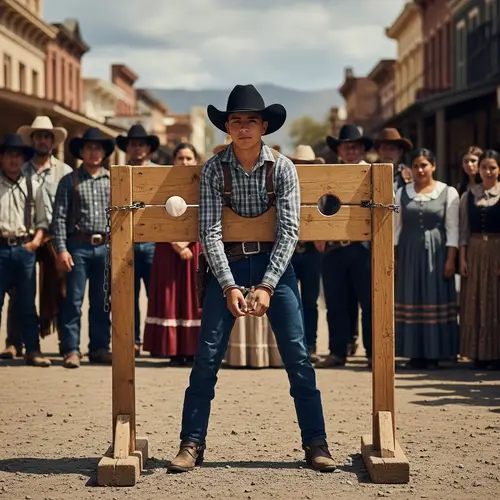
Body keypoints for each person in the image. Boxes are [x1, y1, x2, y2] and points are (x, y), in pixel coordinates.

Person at [168, 84, 335, 473]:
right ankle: (191, 443)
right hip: (226, 265)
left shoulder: (284, 168)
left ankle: (316, 442)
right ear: (227, 127)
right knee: (206, 358)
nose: (243, 127)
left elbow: (289, 231)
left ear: (264, 127)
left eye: (251, 121)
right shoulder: (213, 169)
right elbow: (209, 230)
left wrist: (266, 285)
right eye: (236, 121)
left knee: (297, 356)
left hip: (274, 268)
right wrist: (227, 285)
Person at [52, 127, 115, 368]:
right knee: (74, 301)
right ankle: (71, 349)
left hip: (105, 248)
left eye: (98, 148)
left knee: (102, 300)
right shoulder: (69, 180)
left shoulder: (112, 180)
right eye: (89, 148)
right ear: (82, 152)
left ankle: (99, 348)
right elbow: (58, 218)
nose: (94, 152)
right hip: (78, 245)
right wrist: (61, 249)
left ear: (103, 152)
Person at [395, 148, 459, 369]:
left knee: (435, 296)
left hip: (437, 251)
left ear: (433, 166)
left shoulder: (447, 192)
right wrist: (394, 256)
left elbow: (453, 230)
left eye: (424, 165)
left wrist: (451, 259)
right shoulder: (402, 192)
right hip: (408, 251)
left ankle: (435, 353)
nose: (420, 170)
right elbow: (396, 228)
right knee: (411, 296)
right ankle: (414, 353)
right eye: (416, 165)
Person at [316, 124, 372, 369]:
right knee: (335, 303)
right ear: (339, 149)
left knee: (369, 303)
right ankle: (337, 352)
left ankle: (373, 353)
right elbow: (318, 205)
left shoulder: (372, 174)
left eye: (355, 146)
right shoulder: (330, 174)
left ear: (361, 149)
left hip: (363, 248)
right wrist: (317, 232)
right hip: (334, 249)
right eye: (346, 146)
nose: (351, 150)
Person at [143, 143, 202, 365]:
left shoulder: (205, 183)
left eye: (189, 158)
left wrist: (187, 241)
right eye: (180, 158)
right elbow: (156, 214)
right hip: (167, 249)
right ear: (174, 160)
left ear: (196, 161)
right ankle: (172, 349)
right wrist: (175, 243)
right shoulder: (163, 184)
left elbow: (208, 214)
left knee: (192, 297)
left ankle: (192, 349)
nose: (184, 162)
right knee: (170, 296)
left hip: (195, 247)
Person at [0, 134, 50, 366]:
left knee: (27, 304)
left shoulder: (33, 185)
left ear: (22, 159)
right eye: (9, 155)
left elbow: (43, 220)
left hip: (24, 248)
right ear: (2, 158)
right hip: (1, 248)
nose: (13, 160)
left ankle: (33, 350)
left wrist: (35, 242)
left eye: (17, 155)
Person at [116, 124, 160, 355]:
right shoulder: (119, 173)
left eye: (141, 144)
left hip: (152, 242)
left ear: (148, 148)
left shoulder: (159, 172)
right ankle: (132, 340)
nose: (137, 148)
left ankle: (155, 340)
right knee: (128, 295)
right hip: (126, 243)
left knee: (156, 294)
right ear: (128, 147)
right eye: (133, 144)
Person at [459, 149, 500, 369]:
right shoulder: (469, 196)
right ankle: (477, 353)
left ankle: (495, 354)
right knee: (475, 301)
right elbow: (463, 231)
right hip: (474, 251)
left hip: (496, 250)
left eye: (492, 167)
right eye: (484, 167)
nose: (488, 171)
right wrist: (463, 259)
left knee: (495, 301)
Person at [288, 144, 324, 362]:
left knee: (310, 301)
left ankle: (310, 345)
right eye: (298, 165)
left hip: (312, 252)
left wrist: (320, 236)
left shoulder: (321, 189)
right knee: (288, 302)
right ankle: (291, 347)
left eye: (306, 165)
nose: (302, 168)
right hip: (289, 251)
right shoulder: (284, 185)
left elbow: (327, 214)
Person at [373, 128, 413, 192]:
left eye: (392, 149)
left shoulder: (409, 174)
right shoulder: (369, 173)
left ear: (400, 152)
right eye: (384, 148)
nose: (388, 153)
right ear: (378, 151)